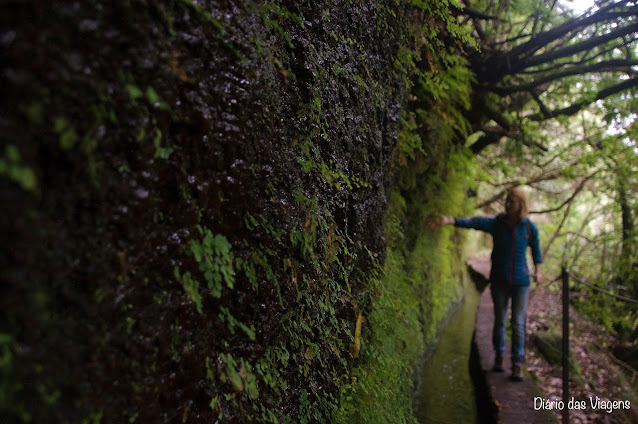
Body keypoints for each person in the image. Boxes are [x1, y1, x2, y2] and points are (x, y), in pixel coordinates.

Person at [431, 187, 543, 381]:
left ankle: (517, 363)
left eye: (512, 202)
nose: (507, 205)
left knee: (517, 322)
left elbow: (536, 251)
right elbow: (475, 222)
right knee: (499, 320)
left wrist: (539, 271)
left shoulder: (528, 228)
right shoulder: (497, 224)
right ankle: (499, 356)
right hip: (499, 280)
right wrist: (450, 220)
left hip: (521, 282)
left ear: (521, 205)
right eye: (507, 201)